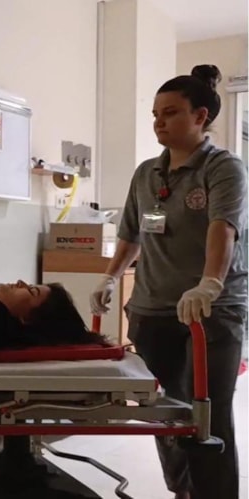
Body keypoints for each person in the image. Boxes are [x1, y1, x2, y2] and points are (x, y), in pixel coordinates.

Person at [89, 64, 247, 499]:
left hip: (210, 311)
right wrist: (109, 277)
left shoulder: (223, 167)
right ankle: (182, 491)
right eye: (155, 114)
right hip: (153, 309)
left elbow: (222, 229)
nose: (159, 122)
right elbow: (130, 234)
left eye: (171, 113)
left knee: (207, 413)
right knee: (164, 411)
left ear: (200, 116)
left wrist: (209, 283)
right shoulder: (147, 173)